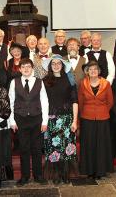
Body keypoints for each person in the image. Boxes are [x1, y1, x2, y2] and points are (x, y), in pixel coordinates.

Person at [9, 58, 49, 186]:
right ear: (19, 69)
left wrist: (45, 121)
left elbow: (44, 101)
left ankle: (38, 175)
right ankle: (25, 176)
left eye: (28, 67)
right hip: (20, 119)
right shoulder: (14, 82)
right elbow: (10, 102)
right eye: (23, 67)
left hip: (36, 118)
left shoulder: (39, 82)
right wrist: (12, 121)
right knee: (24, 148)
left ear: (32, 68)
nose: (26, 69)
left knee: (37, 148)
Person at [41, 55, 78, 184]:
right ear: (50, 66)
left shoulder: (70, 79)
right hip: (51, 119)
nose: (56, 65)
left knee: (67, 147)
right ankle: (55, 175)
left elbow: (75, 101)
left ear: (62, 65)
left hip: (67, 118)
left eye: (59, 63)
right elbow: (42, 102)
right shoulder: (45, 81)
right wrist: (43, 121)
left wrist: (75, 121)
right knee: (53, 148)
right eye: (53, 63)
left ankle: (65, 174)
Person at [78, 61, 113, 180]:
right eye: (90, 69)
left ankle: (100, 170)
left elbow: (110, 102)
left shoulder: (106, 83)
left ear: (99, 71)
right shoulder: (82, 83)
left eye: (95, 69)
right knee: (89, 144)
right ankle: (89, 170)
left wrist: (102, 111)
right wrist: (83, 114)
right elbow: (80, 101)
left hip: (103, 118)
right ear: (87, 71)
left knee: (101, 145)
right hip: (87, 118)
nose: (93, 71)